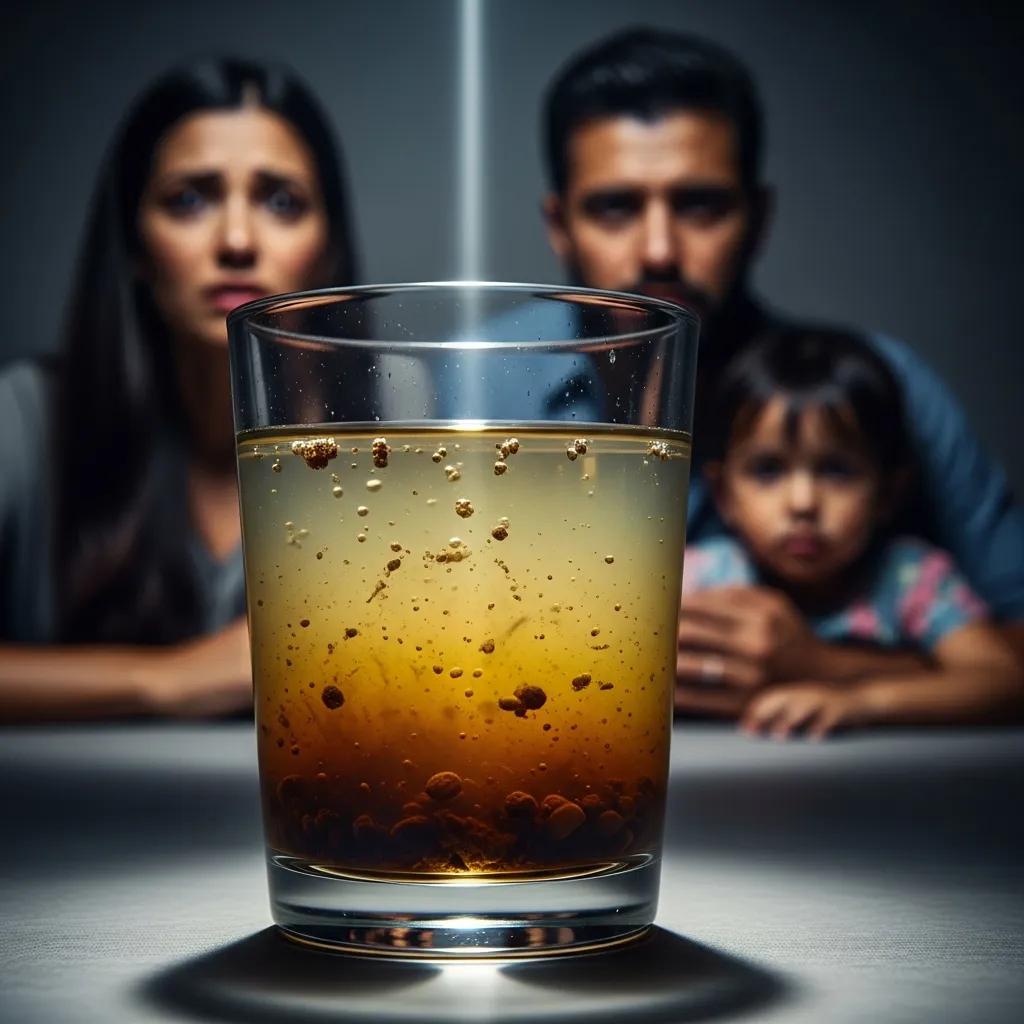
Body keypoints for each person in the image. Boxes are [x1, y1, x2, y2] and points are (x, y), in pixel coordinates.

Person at [539, 27, 1024, 716]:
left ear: (758, 218)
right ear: (559, 226)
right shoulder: (471, 396)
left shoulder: (881, 385)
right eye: (615, 207)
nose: (659, 250)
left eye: (701, 205)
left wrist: (826, 667)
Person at [0, 58, 359, 721]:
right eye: (188, 198)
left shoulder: (400, 435)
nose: (237, 240)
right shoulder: (26, 419)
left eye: (282, 201)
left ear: (329, 245)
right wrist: (168, 679)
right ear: (134, 244)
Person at [680, 327, 1022, 737]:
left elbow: (1004, 682)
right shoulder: (701, 576)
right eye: (768, 470)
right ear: (723, 494)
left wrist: (861, 702)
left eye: (836, 470)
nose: (803, 502)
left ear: (888, 494)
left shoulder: (911, 578)